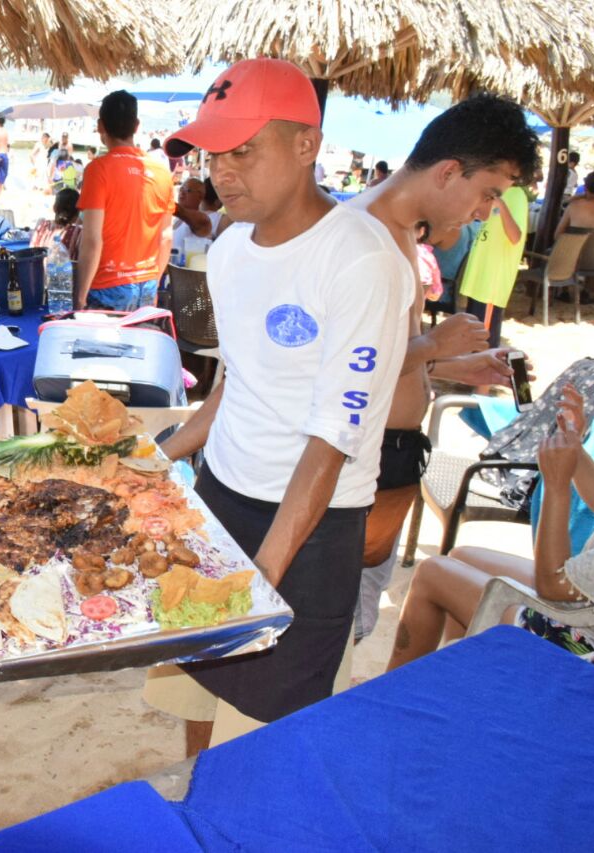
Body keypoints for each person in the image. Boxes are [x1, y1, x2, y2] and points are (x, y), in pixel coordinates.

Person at [147, 59, 413, 752]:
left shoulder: (359, 258)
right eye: (213, 152)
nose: (222, 171)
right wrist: (151, 456)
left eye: (243, 149)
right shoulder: (230, 249)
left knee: (272, 741)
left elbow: (331, 442)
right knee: (198, 694)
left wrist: (261, 578)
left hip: (309, 530)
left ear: (307, 146)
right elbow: (234, 387)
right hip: (218, 500)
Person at [344, 93, 541, 643]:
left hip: (386, 457)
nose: (485, 212)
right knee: (334, 625)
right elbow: (337, 370)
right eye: (489, 194)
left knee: (350, 621)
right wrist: (432, 346)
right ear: (450, 171)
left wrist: (458, 366)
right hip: (359, 457)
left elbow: (384, 355)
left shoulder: (399, 230)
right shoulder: (362, 238)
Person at [387, 386, 594, 671]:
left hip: (591, 648)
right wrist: (574, 450)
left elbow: (554, 584)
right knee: (460, 557)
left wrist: (556, 486)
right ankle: (463, 676)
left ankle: (387, 700)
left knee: (433, 574)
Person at [73, 90, 173, 310]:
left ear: (100, 126)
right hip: (147, 282)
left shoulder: (98, 170)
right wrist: (154, 283)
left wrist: (80, 296)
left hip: (107, 285)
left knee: (104, 345)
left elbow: (92, 239)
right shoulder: (162, 172)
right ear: (137, 126)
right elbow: (165, 237)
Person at [459, 176, 527, 349]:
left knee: (484, 343)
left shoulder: (516, 195)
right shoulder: (494, 192)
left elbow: (515, 237)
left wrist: (501, 206)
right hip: (479, 275)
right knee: (473, 337)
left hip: (492, 281)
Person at [29, 187, 82, 260]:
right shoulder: (78, 234)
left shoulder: (42, 225)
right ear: (78, 211)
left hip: (35, 270)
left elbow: (30, 252)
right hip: (65, 271)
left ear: (54, 208)